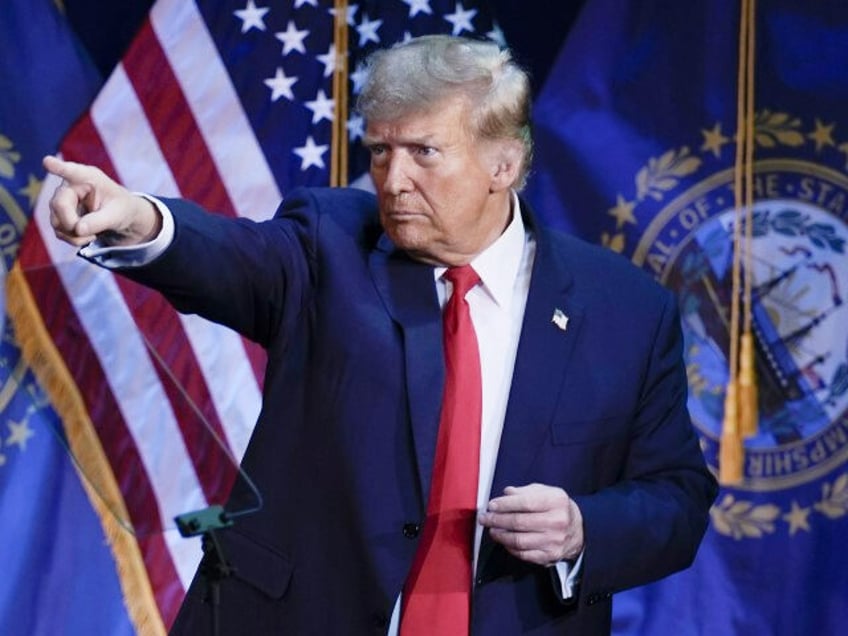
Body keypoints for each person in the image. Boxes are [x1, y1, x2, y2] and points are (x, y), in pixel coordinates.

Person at [46, 35, 717, 635]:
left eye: (425, 152)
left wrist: (582, 528)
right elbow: (230, 257)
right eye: (381, 152)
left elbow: (677, 499)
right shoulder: (330, 243)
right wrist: (138, 220)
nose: (394, 182)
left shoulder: (625, 311)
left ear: (502, 165)